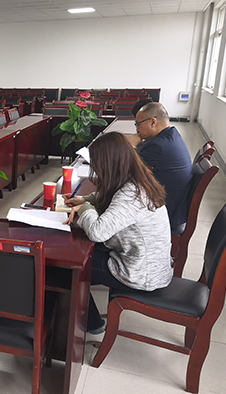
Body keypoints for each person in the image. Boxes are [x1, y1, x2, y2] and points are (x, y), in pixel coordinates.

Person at [63, 132, 172, 337]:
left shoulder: (131, 195)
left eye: (97, 167)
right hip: (145, 263)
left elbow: (97, 232)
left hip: (140, 273)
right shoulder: (137, 181)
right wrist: (87, 200)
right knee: (80, 255)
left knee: (70, 267)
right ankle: (80, 316)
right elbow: (113, 200)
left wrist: (85, 208)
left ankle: (92, 324)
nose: (96, 172)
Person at [128, 102, 192, 229]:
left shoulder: (157, 147)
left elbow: (127, 170)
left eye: (138, 124)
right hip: (175, 206)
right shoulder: (172, 135)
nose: (137, 129)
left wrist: (131, 146)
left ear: (153, 122)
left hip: (165, 212)